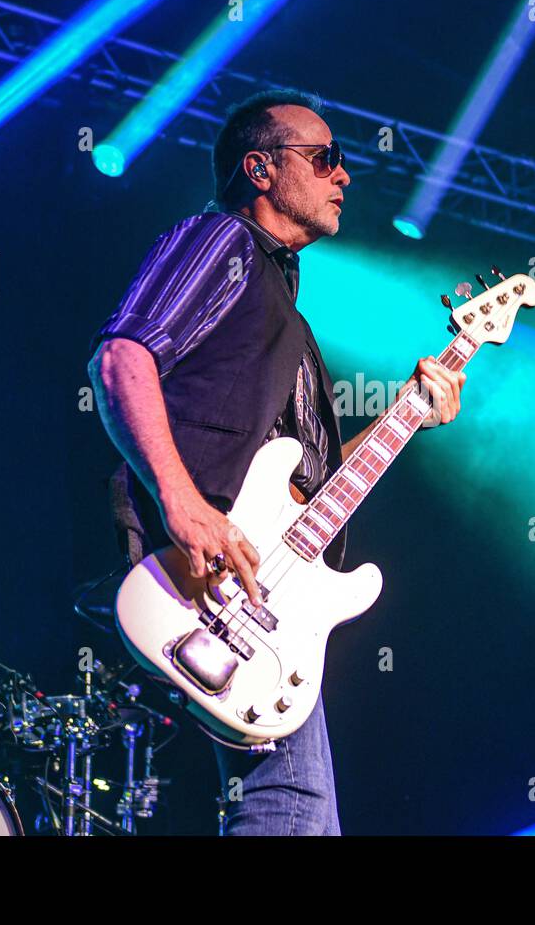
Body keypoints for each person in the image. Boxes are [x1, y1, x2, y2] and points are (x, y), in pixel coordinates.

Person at [88, 89, 466, 835]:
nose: (344, 176)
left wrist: (408, 415)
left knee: (302, 812)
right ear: (260, 169)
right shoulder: (219, 241)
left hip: (262, 596)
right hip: (205, 579)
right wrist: (185, 505)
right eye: (324, 158)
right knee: (290, 808)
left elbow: (309, 492)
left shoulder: (285, 317)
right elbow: (121, 357)